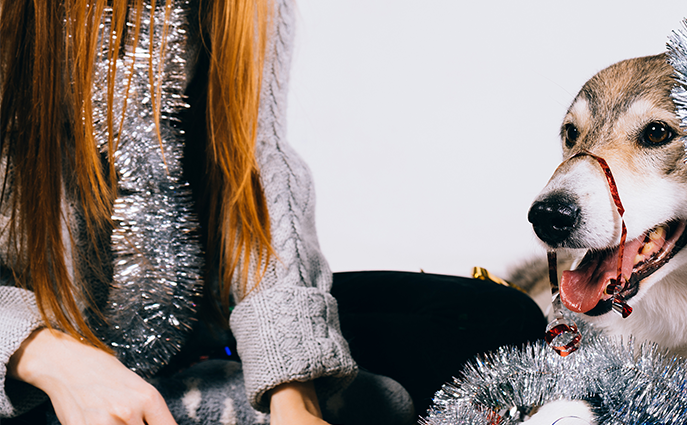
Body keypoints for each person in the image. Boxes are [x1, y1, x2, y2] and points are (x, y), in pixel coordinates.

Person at [0, 1, 545, 424]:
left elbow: (259, 175)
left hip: (198, 321)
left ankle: (210, 391)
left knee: (500, 321)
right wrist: (54, 360)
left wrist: (294, 390)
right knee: (385, 401)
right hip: (34, 350)